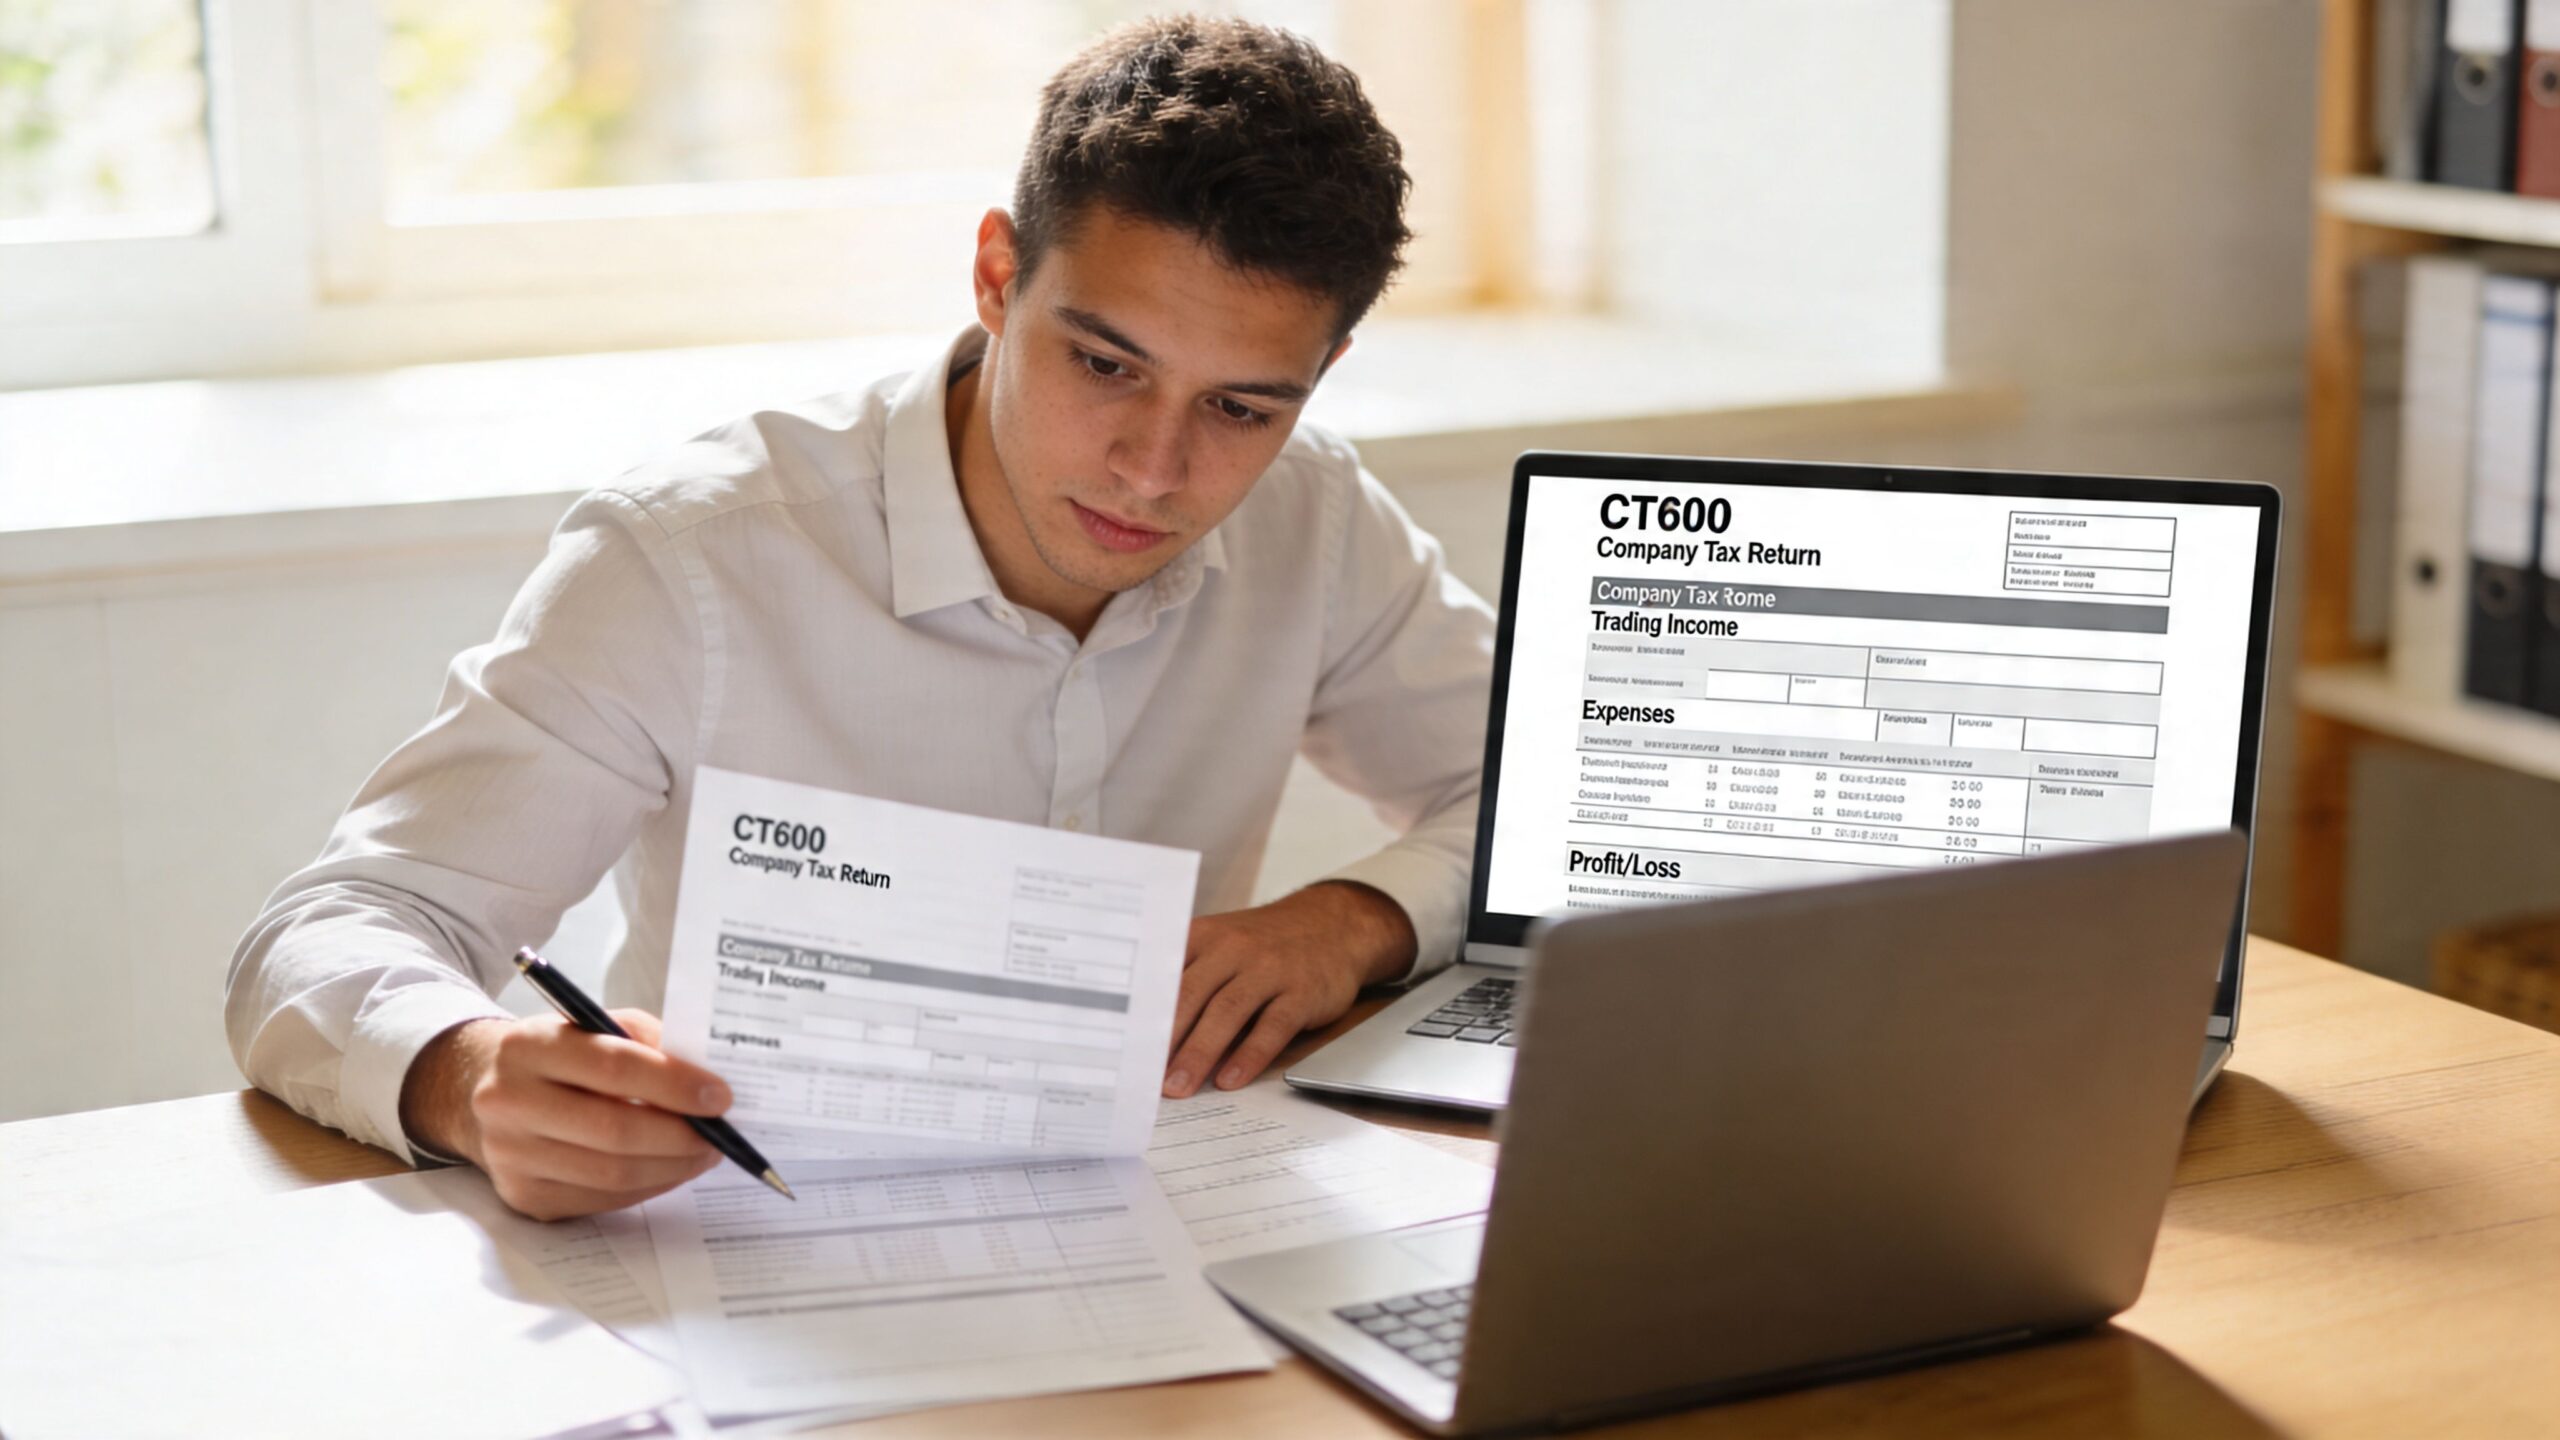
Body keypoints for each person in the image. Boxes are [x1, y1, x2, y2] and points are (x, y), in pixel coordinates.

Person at [225, 15, 1492, 1222]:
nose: (1151, 471)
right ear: (998, 276)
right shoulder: (685, 557)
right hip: (736, 1236)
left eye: (1241, 409)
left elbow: (1568, 816)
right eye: (1105, 365)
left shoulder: (1314, 517)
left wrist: (1357, 920)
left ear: (1317, 379)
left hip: (1162, 1225)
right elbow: (335, 927)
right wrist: (468, 1071)